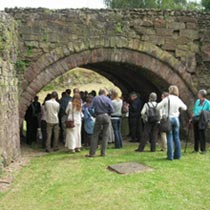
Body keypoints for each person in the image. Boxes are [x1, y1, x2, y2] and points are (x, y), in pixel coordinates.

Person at [157, 85, 187, 160]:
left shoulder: (167, 99)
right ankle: (178, 155)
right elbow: (185, 108)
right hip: (176, 119)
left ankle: (170, 156)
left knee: (169, 137)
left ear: (170, 91)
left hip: (169, 119)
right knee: (176, 137)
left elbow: (158, 107)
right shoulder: (178, 99)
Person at [86, 89, 114, 157]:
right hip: (106, 116)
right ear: (104, 93)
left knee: (95, 134)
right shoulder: (108, 99)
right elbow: (112, 109)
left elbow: (89, 108)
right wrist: (108, 114)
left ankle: (92, 153)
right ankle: (103, 152)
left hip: (98, 116)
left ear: (99, 93)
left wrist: (94, 115)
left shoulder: (96, 98)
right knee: (105, 135)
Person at [191, 89, 210, 154]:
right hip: (196, 118)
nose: (198, 95)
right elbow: (194, 110)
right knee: (196, 134)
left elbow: (209, 112)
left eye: (199, 94)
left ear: (202, 95)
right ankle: (196, 149)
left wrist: (204, 112)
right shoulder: (197, 101)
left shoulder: (208, 103)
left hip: (202, 120)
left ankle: (203, 149)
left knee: (202, 134)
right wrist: (191, 118)